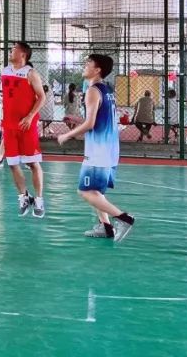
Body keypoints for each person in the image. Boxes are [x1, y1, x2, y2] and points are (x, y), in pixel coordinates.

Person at [58, 54, 136, 241]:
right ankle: (106, 227)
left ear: (98, 69)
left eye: (88, 63)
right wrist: (77, 119)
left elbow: (91, 124)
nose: (84, 65)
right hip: (109, 147)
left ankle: (124, 218)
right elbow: (98, 119)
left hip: (99, 149)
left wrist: (66, 135)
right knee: (96, 191)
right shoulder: (106, 90)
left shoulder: (93, 91)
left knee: (84, 191)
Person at [0, 42, 46, 217]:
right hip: (9, 125)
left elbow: (41, 97)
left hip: (27, 125)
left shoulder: (31, 73)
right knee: (12, 164)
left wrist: (30, 116)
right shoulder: (5, 71)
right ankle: (24, 196)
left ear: (23, 54)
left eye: (14, 49)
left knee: (33, 163)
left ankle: (39, 199)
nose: (11, 50)